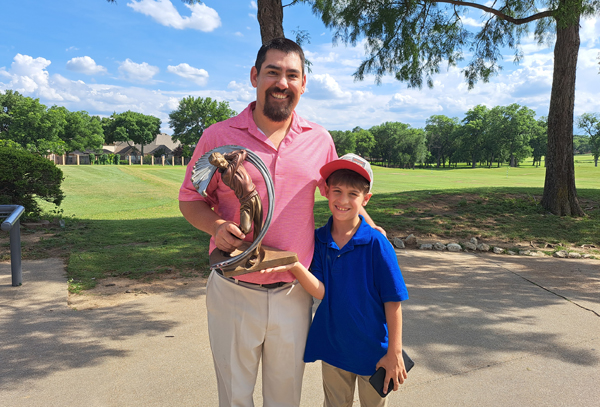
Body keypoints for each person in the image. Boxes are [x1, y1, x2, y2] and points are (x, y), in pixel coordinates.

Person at [179, 38, 381, 407]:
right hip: (233, 289)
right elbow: (191, 199)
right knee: (235, 397)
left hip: (293, 293)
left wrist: (372, 230)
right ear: (255, 76)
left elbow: (341, 194)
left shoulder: (319, 139)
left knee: (285, 399)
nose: (282, 82)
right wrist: (215, 227)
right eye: (273, 72)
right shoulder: (218, 136)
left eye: (292, 75)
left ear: (304, 83)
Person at [264, 154, 409, 407]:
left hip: (373, 351)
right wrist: (295, 266)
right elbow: (321, 291)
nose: (343, 200)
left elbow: (393, 300)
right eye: (337, 191)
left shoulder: (377, 244)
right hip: (335, 348)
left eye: (353, 194)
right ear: (326, 193)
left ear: (366, 199)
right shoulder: (319, 239)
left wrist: (394, 352)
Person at [208, 150, 263, 264]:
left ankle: (255, 253)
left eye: (219, 160)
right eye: (216, 163)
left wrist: (225, 156)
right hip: (246, 201)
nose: (220, 163)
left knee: (259, 225)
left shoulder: (234, 165)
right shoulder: (227, 172)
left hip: (255, 196)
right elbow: (242, 153)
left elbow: (240, 155)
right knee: (246, 229)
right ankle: (229, 243)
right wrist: (226, 155)